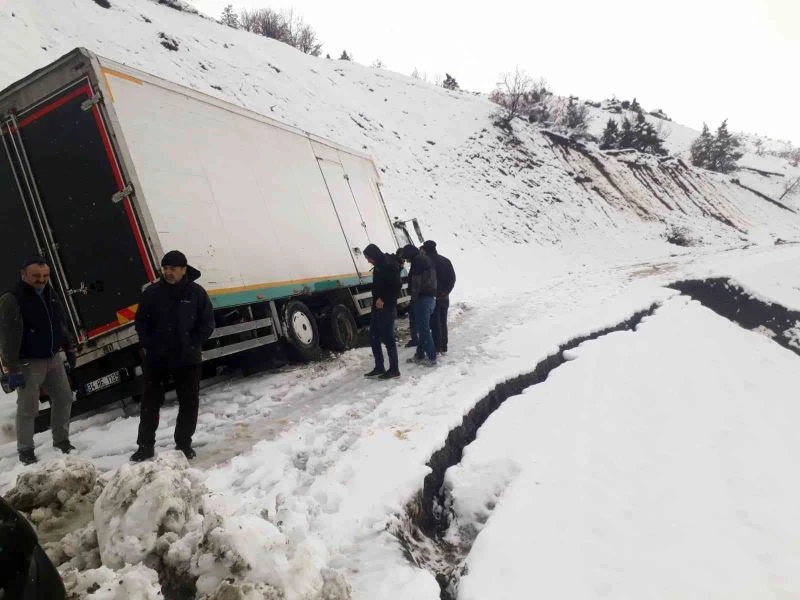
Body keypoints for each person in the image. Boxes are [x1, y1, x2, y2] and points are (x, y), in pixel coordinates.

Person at [131, 251, 214, 462]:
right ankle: (145, 446)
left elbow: (207, 323)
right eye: (165, 268)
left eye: (173, 269)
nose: (168, 272)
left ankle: (183, 444)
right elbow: (141, 322)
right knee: (150, 403)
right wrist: (150, 344)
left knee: (189, 402)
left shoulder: (196, 293)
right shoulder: (152, 293)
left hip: (187, 359)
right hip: (157, 359)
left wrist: (191, 343)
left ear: (184, 269)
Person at [0, 257, 76, 465]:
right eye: (36, 276)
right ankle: (25, 450)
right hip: (28, 362)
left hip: (53, 357)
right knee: (28, 407)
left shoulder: (50, 293)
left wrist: (68, 348)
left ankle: (61, 440)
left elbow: (59, 322)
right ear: (23, 275)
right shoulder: (11, 299)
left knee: (64, 398)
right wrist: (12, 368)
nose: (41, 280)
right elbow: (7, 337)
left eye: (45, 276)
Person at [363, 244, 402, 379]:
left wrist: (384, 299)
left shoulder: (388, 265)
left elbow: (396, 286)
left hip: (387, 307)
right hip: (377, 307)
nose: (368, 261)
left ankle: (394, 369)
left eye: (369, 258)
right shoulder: (379, 265)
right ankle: (379, 367)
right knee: (373, 337)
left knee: (388, 338)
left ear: (374, 255)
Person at [401, 245, 437, 366]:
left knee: (424, 330)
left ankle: (431, 358)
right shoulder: (424, 259)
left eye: (406, 258)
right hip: (429, 298)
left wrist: (413, 299)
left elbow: (416, 283)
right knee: (423, 329)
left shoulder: (418, 261)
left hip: (423, 299)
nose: (407, 261)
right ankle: (420, 355)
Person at [422, 240, 456, 354]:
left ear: (425, 249)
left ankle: (436, 347)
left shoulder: (426, 262)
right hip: (444, 297)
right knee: (443, 322)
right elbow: (452, 278)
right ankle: (443, 346)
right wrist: (446, 292)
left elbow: (425, 281)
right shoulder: (446, 260)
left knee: (434, 324)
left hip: (431, 297)